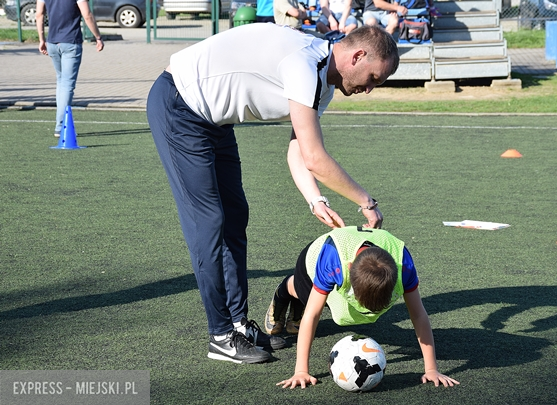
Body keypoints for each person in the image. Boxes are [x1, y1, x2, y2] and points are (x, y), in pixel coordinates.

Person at [146, 24, 399, 365]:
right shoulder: (305, 65)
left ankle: (238, 324)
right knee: (208, 222)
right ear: (356, 56)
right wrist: (365, 201)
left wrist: (316, 199)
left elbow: (298, 149)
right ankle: (220, 335)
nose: (370, 89)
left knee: (235, 216)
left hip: (214, 122)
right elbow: (314, 158)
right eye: (373, 78)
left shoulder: (323, 81)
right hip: (180, 105)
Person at [266, 226, 460, 389]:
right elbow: (313, 314)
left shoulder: (404, 266)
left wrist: (431, 368)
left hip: (350, 264)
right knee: (309, 297)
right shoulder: (332, 261)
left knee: (344, 312)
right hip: (314, 258)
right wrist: (301, 371)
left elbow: (418, 315)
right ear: (350, 270)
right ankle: (285, 290)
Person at [36, 0, 103, 138]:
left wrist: (41, 39)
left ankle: (60, 124)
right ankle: (60, 127)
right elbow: (87, 15)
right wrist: (98, 37)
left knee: (61, 82)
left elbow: (39, 14)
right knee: (67, 85)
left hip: (52, 42)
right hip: (70, 42)